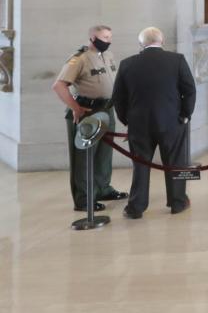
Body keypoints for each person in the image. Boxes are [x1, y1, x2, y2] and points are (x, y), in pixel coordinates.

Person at [112, 27, 196, 219]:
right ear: (162, 40)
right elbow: (189, 90)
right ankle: (177, 202)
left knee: (140, 165)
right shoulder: (177, 60)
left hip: (139, 124)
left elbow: (118, 97)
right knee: (175, 162)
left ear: (141, 44)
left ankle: (136, 207)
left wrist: (126, 119)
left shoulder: (127, 64)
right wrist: (185, 114)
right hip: (172, 122)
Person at [51, 25, 128, 211]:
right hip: (88, 112)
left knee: (104, 154)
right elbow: (59, 86)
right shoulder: (79, 59)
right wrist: (75, 108)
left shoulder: (108, 56)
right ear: (92, 38)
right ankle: (84, 199)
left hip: (106, 110)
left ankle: (102, 189)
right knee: (84, 157)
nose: (107, 41)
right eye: (103, 37)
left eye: (110, 37)